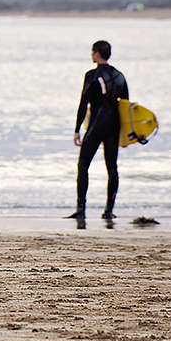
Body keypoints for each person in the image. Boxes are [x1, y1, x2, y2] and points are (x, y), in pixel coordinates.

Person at [68, 39, 129, 221]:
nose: (91, 55)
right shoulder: (119, 76)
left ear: (96, 54)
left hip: (96, 125)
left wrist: (77, 129)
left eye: (92, 52)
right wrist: (126, 136)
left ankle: (81, 209)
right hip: (114, 126)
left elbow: (83, 103)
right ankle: (109, 210)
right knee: (112, 167)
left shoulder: (91, 75)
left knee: (83, 165)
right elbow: (125, 107)